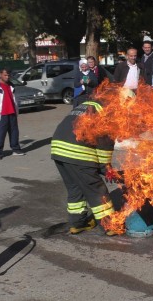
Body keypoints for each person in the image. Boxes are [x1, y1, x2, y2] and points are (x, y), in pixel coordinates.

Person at [50, 98, 115, 234]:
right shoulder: (107, 112)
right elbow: (105, 144)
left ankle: (78, 223)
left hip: (58, 149)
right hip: (77, 152)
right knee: (96, 188)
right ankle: (110, 226)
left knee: (75, 188)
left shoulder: (86, 105)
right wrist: (106, 168)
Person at [0, 69, 25, 160]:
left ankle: (15, 149)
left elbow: (13, 98)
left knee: (14, 132)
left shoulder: (11, 85)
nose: (7, 77)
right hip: (1, 114)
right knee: (0, 134)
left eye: (8, 75)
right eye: (5, 75)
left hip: (12, 112)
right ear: (0, 75)